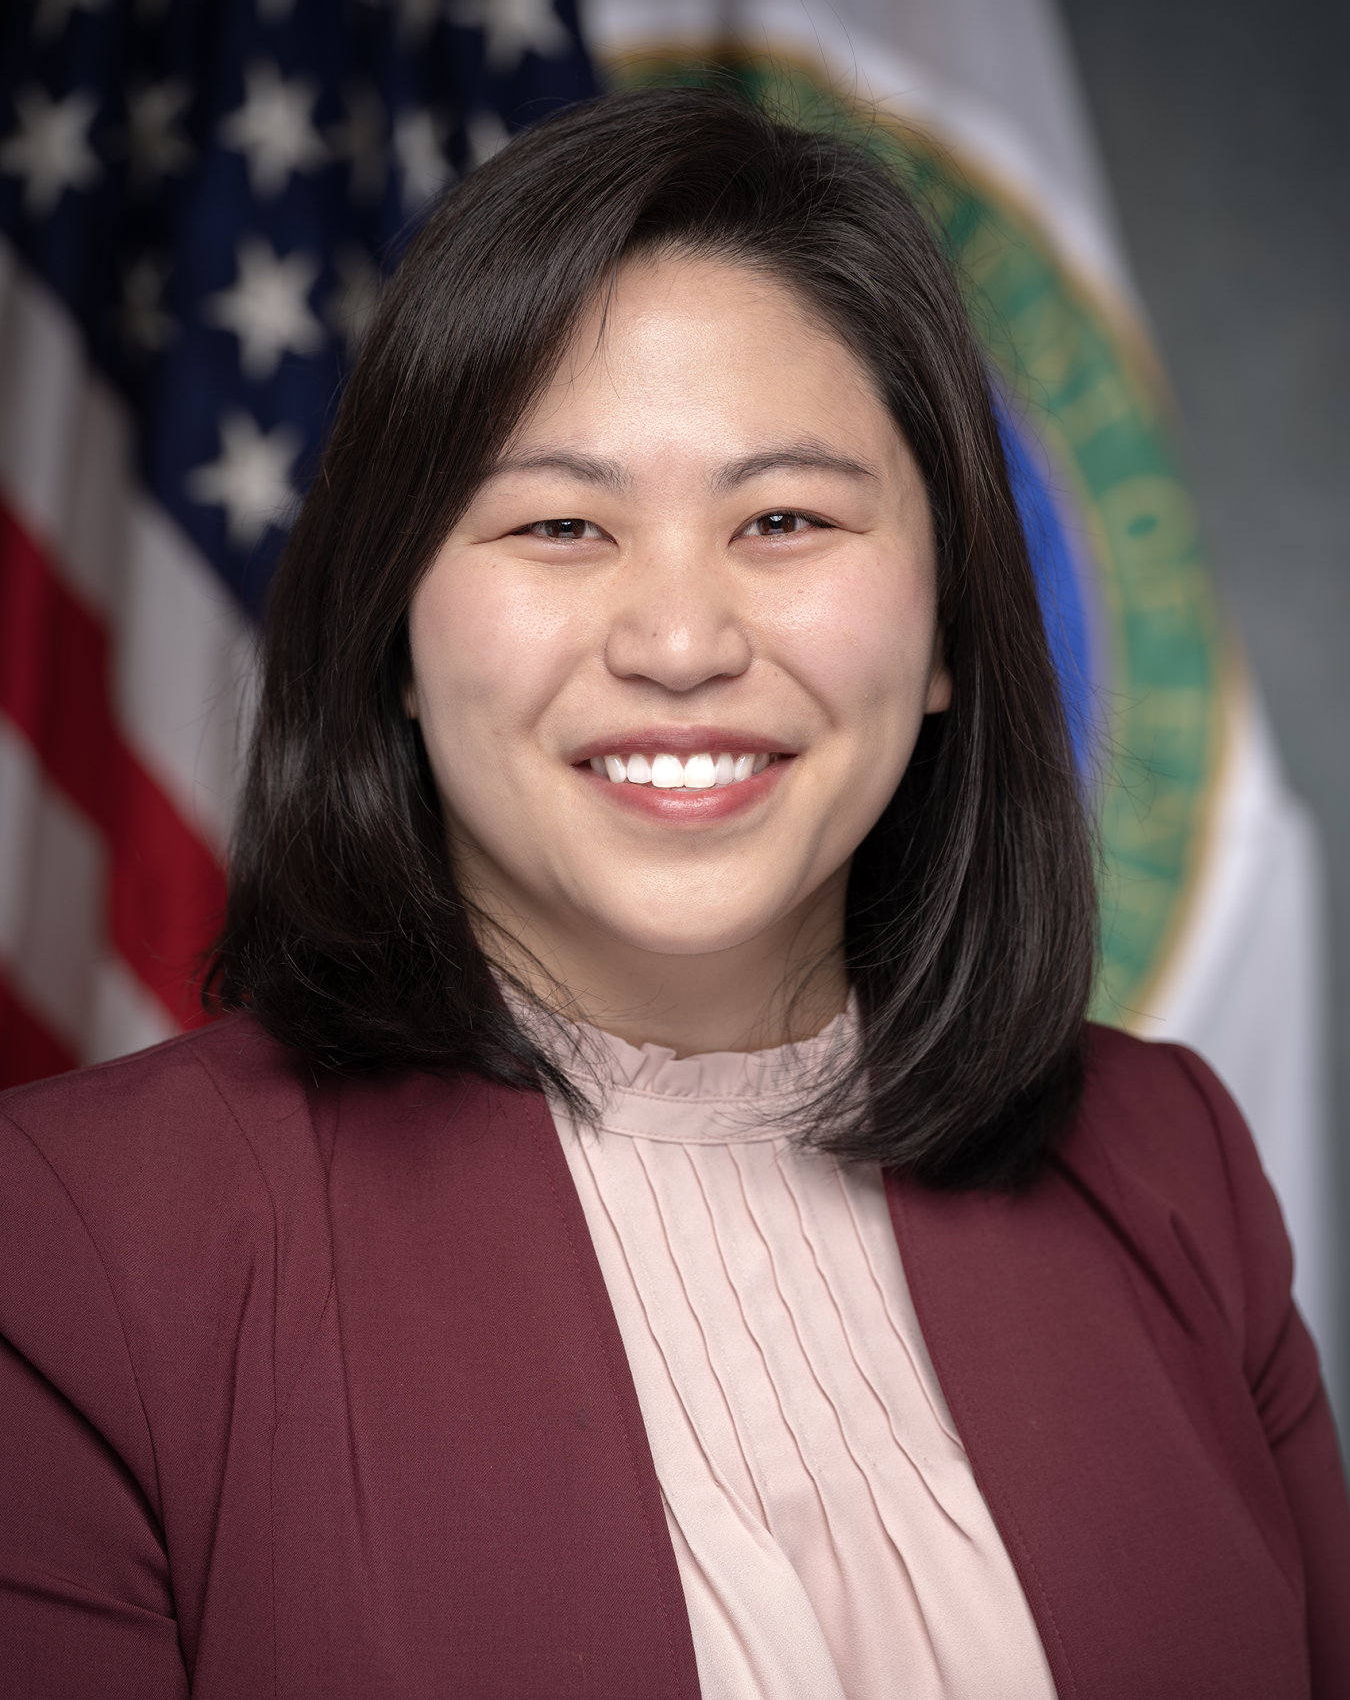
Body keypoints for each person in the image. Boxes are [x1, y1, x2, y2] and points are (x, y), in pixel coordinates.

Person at [1, 86, 1347, 1700]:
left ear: (942, 634)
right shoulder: (77, 1246)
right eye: (561, 524)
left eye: (783, 519)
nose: (682, 639)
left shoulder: (1167, 1163)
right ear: (396, 638)